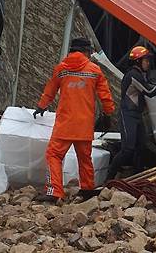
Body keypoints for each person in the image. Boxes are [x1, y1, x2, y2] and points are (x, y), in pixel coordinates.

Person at [34, 37, 115, 203]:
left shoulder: (61, 69)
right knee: (85, 158)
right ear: (86, 51)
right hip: (84, 125)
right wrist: (108, 114)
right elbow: (105, 95)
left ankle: (54, 191)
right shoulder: (94, 70)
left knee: (54, 155)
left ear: (71, 50)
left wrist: (42, 106)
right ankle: (87, 189)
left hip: (65, 124)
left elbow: (50, 90)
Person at [106, 45, 156, 179]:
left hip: (136, 115)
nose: (148, 63)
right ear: (138, 61)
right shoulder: (133, 75)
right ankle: (109, 177)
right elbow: (150, 92)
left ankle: (137, 176)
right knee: (127, 149)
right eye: (146, 61)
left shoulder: (140, 75)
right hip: (128, 115)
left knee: (141, 146)